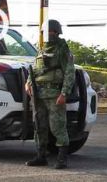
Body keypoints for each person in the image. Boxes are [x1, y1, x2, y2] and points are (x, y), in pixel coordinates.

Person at [25, 19, 75, 169]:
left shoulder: (62, 49)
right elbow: (35, 69)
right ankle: (41, 156)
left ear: (57, 32)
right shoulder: (41, 49)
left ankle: (62, 158)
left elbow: (69, 72)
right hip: (38, 94)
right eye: (47, 31)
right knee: (40, 126)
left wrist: (64, 93)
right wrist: (28, 82)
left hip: (54, 94)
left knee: (57, 126)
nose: (49, 34)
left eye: (52, 31)